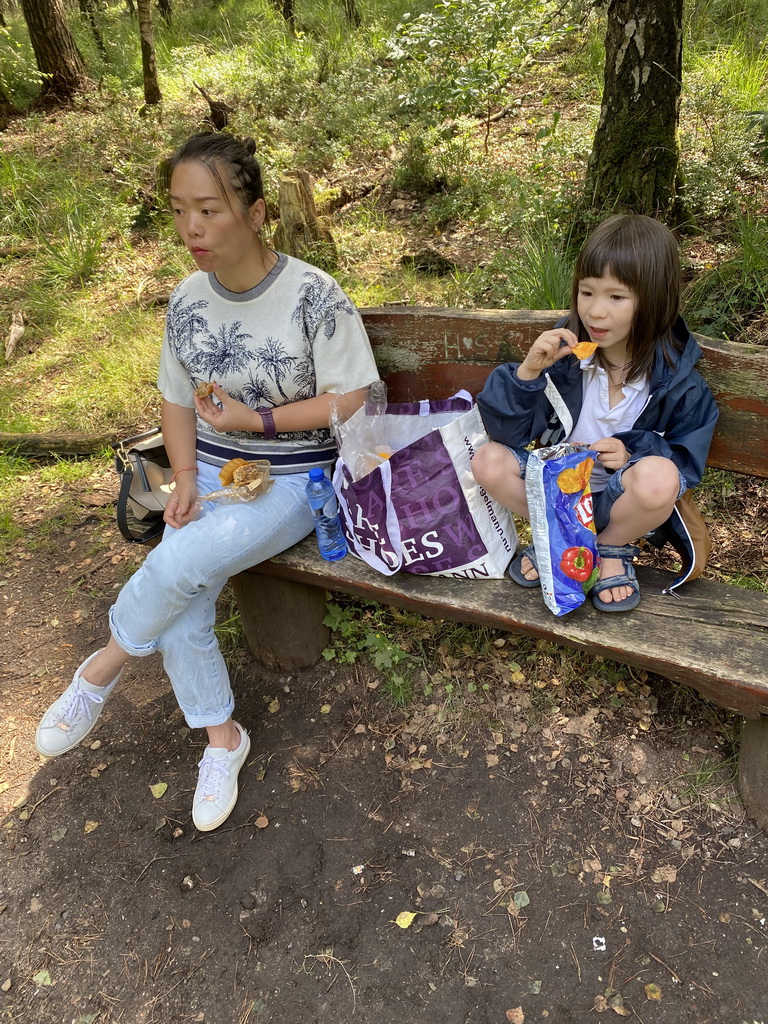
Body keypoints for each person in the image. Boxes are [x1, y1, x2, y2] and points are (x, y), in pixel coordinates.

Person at [35, 132, 379, 830]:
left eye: (211, 210)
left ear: (255, 215)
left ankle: (100, 669)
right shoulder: (188, 298)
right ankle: (222, 738)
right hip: (214, 471)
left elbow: (357, 400)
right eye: (179, 210)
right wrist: (186, 474)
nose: (192, 228)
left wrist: (259, 421)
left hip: (293, 477)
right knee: (184, 591)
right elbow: (174, 396)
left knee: (181, 559)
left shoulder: (315, 295)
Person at [472, 213, 718, 613]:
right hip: (559, 491)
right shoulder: (565, 360)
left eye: (616, 297)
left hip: (622, 503)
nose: (596, 312)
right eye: (587, 293)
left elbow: (685, 467)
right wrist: (528, 373)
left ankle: (608, 548)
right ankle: (562, 535)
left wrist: (633, 454)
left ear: (654, 300)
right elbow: (506, 435)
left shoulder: (680, 384)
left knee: (660, 476)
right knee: (487, 460)